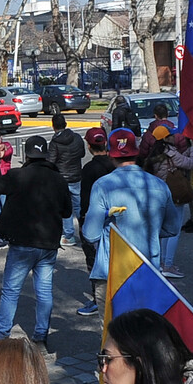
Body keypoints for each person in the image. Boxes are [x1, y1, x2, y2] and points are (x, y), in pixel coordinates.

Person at [81, 128, 181, 317]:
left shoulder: (102, 185)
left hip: (112, 271)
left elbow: (90, 233)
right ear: (136, 153)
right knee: (144, 331)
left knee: (113, 335)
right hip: (147, 269)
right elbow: (172, 227)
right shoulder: (159, 185)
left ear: (111, 155)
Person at [0, 135, 71, 352]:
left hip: (23, 243)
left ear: (27, 155)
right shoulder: (58, 179)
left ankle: (1, 337)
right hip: (48, 243)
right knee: (44, 292)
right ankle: (41, 337)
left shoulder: (18, 175)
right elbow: (68, 211)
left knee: (11, 291)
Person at [143, 125, 193, 279]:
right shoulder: (170, 153)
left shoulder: (155, 154)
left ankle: (161, 263)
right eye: (171, 135)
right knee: (174, 231)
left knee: (162, 231)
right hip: (174, 196)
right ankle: (168, 264)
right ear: (166, 138)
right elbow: (191, 163)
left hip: (157, 197)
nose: (175, 137)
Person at [76, 128, 114, 314]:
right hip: (116, 220)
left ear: (89, 146)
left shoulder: (90, 169)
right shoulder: (115, 165)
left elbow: (85, 199)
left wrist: (83, 219)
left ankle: (98, 299)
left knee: (94, 261)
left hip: (94, 219)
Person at [44, 114, 85, 246]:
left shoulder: (55, 142)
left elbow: (51, 161)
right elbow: (82, 153)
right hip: (76, 175)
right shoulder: (77, 137)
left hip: (62, 178)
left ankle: (68, 235)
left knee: (65, 207)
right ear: (65, 124)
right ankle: (85, 231)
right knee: (78, 205)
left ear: (53, 126)